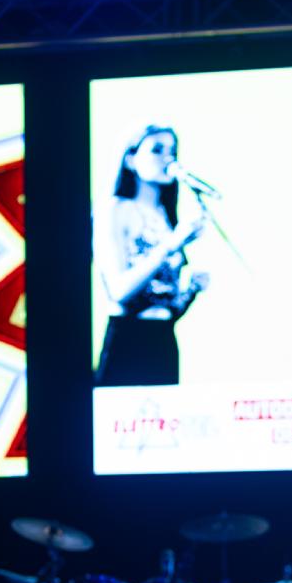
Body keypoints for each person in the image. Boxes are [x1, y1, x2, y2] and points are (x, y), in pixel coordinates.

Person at [94, 124, 210, 387]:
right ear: (131, 159)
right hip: (129, 342)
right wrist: (171, 245)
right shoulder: (115, 209)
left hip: (163, 342)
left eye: (172, 151)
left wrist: (191, 291)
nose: (168, 158)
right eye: (157, 150)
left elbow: (165, 305)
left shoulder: (166, 217)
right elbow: (120, 290)